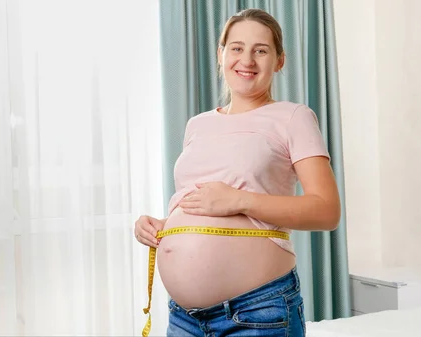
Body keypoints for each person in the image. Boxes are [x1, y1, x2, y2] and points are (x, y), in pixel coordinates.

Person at [134, 8, 341, 337]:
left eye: (261, 50)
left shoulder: (293, 117)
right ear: (221, 54)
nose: (247, 59)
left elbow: (327, 211)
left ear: (279, 61)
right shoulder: (197, 125)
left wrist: (239, 200)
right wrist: (163, 227)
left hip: (257, 309)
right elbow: (202, 202)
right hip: (184, 317)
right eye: (237, 48)